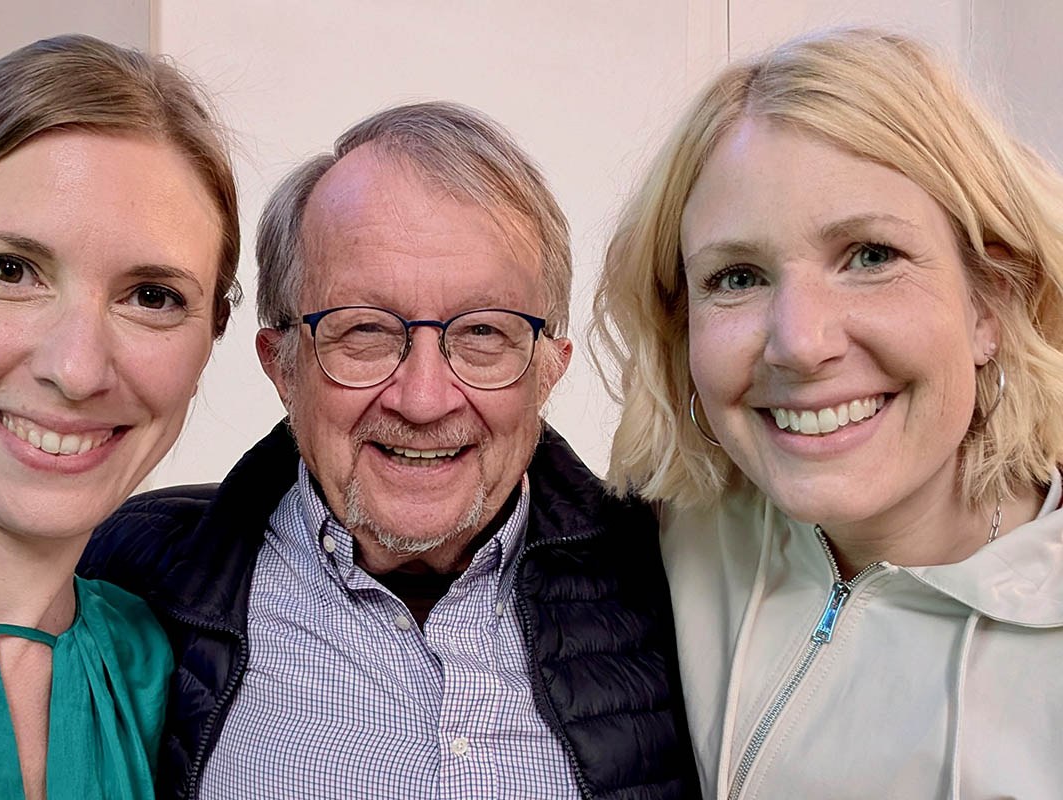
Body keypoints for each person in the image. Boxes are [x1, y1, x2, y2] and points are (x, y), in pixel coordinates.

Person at [80, 101, 699, 800]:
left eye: (484, 333)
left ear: (549, 369)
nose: (423, 399)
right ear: (282, 366)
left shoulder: (673, 579)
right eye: (365, 331)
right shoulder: (131, 573)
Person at [593, 26, 1063, 800]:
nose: (801, 344)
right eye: (737, 276)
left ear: (990, 302)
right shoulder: (653, 544)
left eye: (871, 256)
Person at [0, 34, 241, 800]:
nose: (76, 370)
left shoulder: (163, 672)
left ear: (209, 343)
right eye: (11, 270)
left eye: (152, 297)